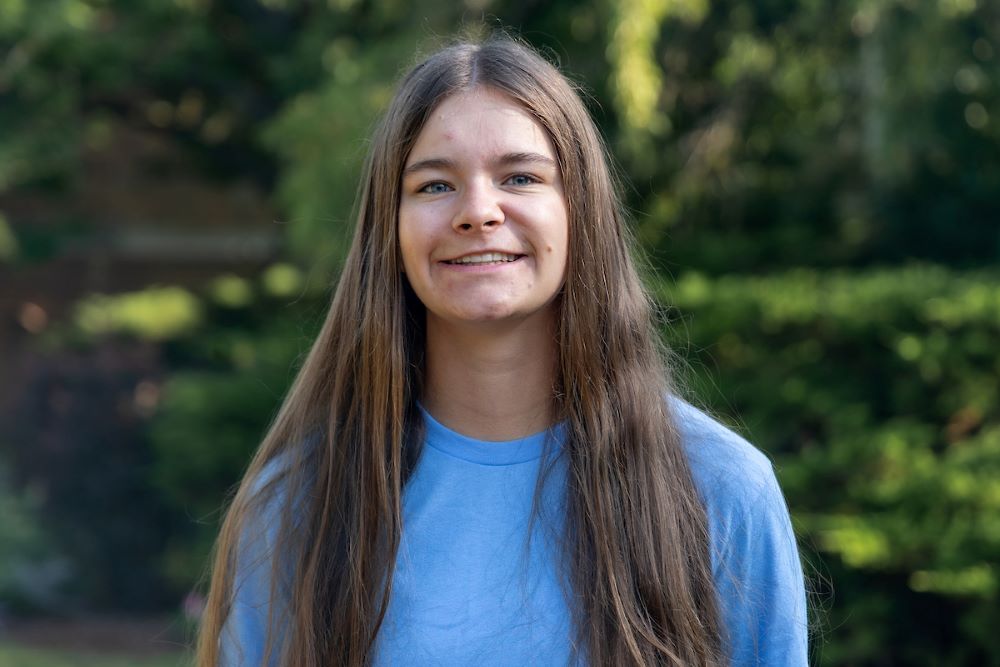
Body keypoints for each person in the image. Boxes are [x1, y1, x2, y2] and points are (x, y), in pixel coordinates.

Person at [196, 35, 808, 667]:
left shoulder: (720, 490)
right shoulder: (300, 504)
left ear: (580, 211)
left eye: (521, 177)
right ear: (389, 228)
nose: (478, 212)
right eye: (434, 185)